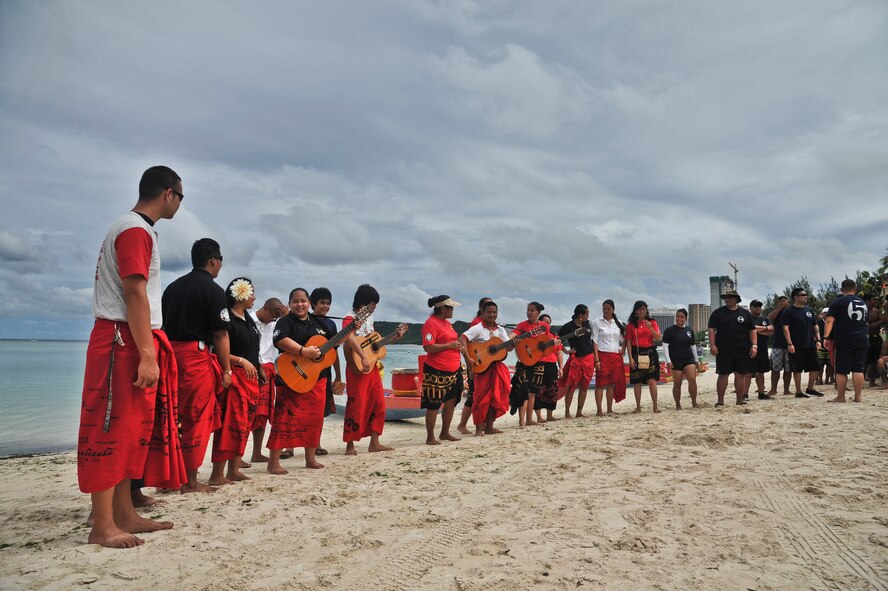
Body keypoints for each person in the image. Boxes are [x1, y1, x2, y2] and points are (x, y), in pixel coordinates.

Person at [77, 165, 185, 548]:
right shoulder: (135, 230)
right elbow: (134, 293)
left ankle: (124, 513)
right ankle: (102, 525)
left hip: (127, 337)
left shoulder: (134, 228)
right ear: (168, 193)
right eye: (181, 197)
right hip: (121, 339)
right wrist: (147, 354)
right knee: (109, 428)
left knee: (129, 432)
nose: (179, 205)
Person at [162, 238, 231, 493]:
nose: (221, 265)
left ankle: (167, 478)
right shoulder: (213, 291)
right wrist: (226, 370)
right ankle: (189, 481)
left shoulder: (171, 288)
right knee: (196, 417)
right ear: (213, 260)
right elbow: (220, 335)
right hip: (195, 357)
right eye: (220, 259)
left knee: (171, 416)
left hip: (168, 355)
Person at [266, 288, 327, 474]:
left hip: (316, 378)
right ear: (290, 304)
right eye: (295, 301)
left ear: (309, 303)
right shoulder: (284, 321)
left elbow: (332, 344)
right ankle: (273, 462)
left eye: (303, 301)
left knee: (314, 419)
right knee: (283, 418)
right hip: (290, 377)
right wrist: (303, 351)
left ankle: (310, 459)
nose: (300, 304)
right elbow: (280, 340)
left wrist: (352, 329)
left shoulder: (318, 322)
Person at [208, 277, 261, 485]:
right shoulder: (227, 320)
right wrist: (240, 361)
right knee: (229, 423)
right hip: (235, 376)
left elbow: (253, 349)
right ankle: (216, 473)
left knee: (244, 425)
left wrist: (257, 366)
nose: (254, 297)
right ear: (242, 295)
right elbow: (218, 351)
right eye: (252, 293)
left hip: (250, 378)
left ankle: (234, 469)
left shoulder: (247, 318)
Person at [343, 284, 400, 455]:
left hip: (372, 367)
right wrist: (362, 357)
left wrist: (393, 337)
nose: (375, 308)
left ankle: (374, 442)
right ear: (364, 304)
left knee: (379, 403)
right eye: (373, 305)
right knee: (356, 404)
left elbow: (373, 343)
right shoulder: (348, 318)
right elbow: (350, 339)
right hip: (357, 368)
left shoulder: (368, 319)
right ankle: (350, 445)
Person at [459, 300, 512, 435]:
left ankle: (489, 427)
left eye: (494, 312)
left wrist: (515, 343)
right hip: (482, 368)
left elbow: (508, 348)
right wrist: (467, 357)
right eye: (488, 312)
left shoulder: (500, 330)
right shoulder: (477, 328)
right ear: (482, 313)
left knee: (495, 398)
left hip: (497, 367)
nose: (492, 315)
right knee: (480, 398)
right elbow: (462, 339)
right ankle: (478, 428)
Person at [420, 295, 464, 445]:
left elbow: (451, 341)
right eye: (451, 308)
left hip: (454, 368)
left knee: (451, 401)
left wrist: (457, 345)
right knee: (434, 403)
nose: (453, 310)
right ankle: (430, 437)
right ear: (443, 309)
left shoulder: (448, 324)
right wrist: (449, 346)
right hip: (436, 369)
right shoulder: (431, 323)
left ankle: (445, 432)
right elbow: (428, 346)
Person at [509, 302, 561, 426]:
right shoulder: (522, 325)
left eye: (532, 310)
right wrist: (512, 339)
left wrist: (554, 342)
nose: (529, 312)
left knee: (533, 392)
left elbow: (547, 341)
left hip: (538, 362)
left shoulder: (544, 326)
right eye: (528, 310)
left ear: (538, 313)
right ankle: (522, 421)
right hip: (524, 362)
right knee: (523, 391)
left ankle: (529, 420)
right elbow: (513, 334)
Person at [248, 298, 286, 463]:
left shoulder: (275, 324)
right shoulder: (248, 320)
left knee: (262, 416)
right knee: (248, 414)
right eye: (273, 315)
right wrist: (258, 366)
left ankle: (256, 453)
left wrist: (284, 317)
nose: (273, 319)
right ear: (266, 308)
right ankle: (237, 455)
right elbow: (248, 346)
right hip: (253, 369)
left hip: (270, 371)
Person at [311, 287, 345, 456]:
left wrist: (338, 375)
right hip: (306, 371)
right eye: (322, 303)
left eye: (328, 303)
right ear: (313, 304)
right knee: (299, 409)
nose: (325, 306)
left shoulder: (331, 324)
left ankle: (315, 443)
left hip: (324, 372)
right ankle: (290, 447)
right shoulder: (306, 320)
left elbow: (334, 352)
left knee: (319, 411)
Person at [708, 290, 757, 406]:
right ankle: (720, 401)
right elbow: (711, 330)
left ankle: (740, 400)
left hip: (742, 349)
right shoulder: (718, 313)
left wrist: (754, 345)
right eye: (726, 297)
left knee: (740, 375)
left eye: (730, 297)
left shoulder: (745, 313)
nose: (728, 299)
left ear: (736, 299)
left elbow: (752, 330)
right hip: (723, 350)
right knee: (723, 374)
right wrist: (713, 345)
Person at [824, 279, 870, 403]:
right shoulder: (863, 303)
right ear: (855, 289)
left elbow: (829, 321)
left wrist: (825, 337)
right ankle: (858, 397)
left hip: (845, 339)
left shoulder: (838, 302)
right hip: (862, 339)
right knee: (858, 369)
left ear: (841, 289)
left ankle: (841, 396)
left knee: (841, 370)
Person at [456, 297, 492, 435]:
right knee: (473, 396)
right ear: (482, 309)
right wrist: (469, 363)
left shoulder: (488, 324)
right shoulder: (477, 324)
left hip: (485, 364)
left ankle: (484, 424)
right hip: (477, 364)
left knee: (479, 395)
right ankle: (462, 424)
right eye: (487, 307)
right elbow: (468, 344)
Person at [781, 287, 823, 398]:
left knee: (815, 366)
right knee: (797, 369)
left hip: (810, 343)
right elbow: (785, 328)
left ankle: (810, 388)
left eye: (806, 295)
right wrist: (789, 343)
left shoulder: (809, 310)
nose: (806, 296)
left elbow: (815, 326)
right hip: (796, 345)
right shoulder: (788, 311)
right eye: (803, 295)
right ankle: (798, 392)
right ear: (796, 297)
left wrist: (818, 340)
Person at [557, 305, 594, 418]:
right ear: (580, 315)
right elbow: (557, 339)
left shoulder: (587, 324)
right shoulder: (569, 326)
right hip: (576, 359)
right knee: (571, 386)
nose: (588, 316)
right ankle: (567, 412)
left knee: (584, 386)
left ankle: (579, 412)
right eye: (587, 314)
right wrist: (566, 351)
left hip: (589, 358)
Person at [625, 301, 662, 413]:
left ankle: (655, 406)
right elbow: (628, 342)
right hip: (636, 352)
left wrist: (650, 328)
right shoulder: (631, 325)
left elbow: (658, 338)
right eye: (639, 309)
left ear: (646, 310)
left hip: (650, 352)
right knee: (637, 381)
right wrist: (630, 357)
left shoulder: (652, 322)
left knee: (652, 381)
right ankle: (638, 406)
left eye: (643, 309)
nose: (641, 311)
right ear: (635, 311)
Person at [591, 299, 626, 415]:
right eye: (604, 308)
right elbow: (594, 340)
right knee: (600, 383)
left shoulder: (618, 322)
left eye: (608, 309)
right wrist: (596, 359)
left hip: (615, 355)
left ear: (613, 309)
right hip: (602, 355)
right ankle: (599, 410)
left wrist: (623, 350)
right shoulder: (597, 322)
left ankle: (609, 409)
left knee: (612, 383)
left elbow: (624, 339)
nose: (606, 311)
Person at [661, 309, 701, 409]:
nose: (679, 319)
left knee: (692, 380)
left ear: (686, 318)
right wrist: (668, 361)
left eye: (682, 317)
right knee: (677, 384)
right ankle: (678, 404)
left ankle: (694, 403)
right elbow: (665, 346)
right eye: (678, 316)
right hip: (675, 361)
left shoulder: (689, 331)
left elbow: (693, 346)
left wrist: (696, 360)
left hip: (689, 359)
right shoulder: (669, 331)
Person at [537, 313, 565, 422]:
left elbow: (559, 353)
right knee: (538, 390)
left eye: (549, 323)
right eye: (545, 322)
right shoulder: (535, 337)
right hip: (539, 364)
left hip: (552, 364)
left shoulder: (555, 337)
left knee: (552, 390)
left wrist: (561, 367)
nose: (547, 324)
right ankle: (539, 416)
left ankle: (549, 415)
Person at [766, 296, 792, 397]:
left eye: (785, 301)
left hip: (790, 344)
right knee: (775, 369)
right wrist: (779, 308)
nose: (783, 302)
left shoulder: (791, 311)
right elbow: (768, 318)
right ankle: (773, 389)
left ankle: (786, 390)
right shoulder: (777, 312)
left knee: (788, 369)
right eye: (781, 301)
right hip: (777, 344)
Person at [749, 300, 775, 400]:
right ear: (750, 307)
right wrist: (764, 329)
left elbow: (772, 330)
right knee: (748, 373)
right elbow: (751, 328)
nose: (758, 308)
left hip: (763, 350)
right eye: (755, 306)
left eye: (759, 306)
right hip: (750, 348)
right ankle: (744, 394)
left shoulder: (764, 319)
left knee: (761, 372)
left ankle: (761, 393)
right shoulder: (748, 318)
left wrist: (759, 330)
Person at [866, 295, 887, 387]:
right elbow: (867, 327)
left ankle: (872, 381)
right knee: (866, 361)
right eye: (873, 300)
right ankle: (863, 379)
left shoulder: (877, 311)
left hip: (877, 338)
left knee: (875, 360)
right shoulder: (864, 312)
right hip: (868, 338)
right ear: (868, 301)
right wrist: (881, 321)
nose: (875, 301)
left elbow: (884, 319)